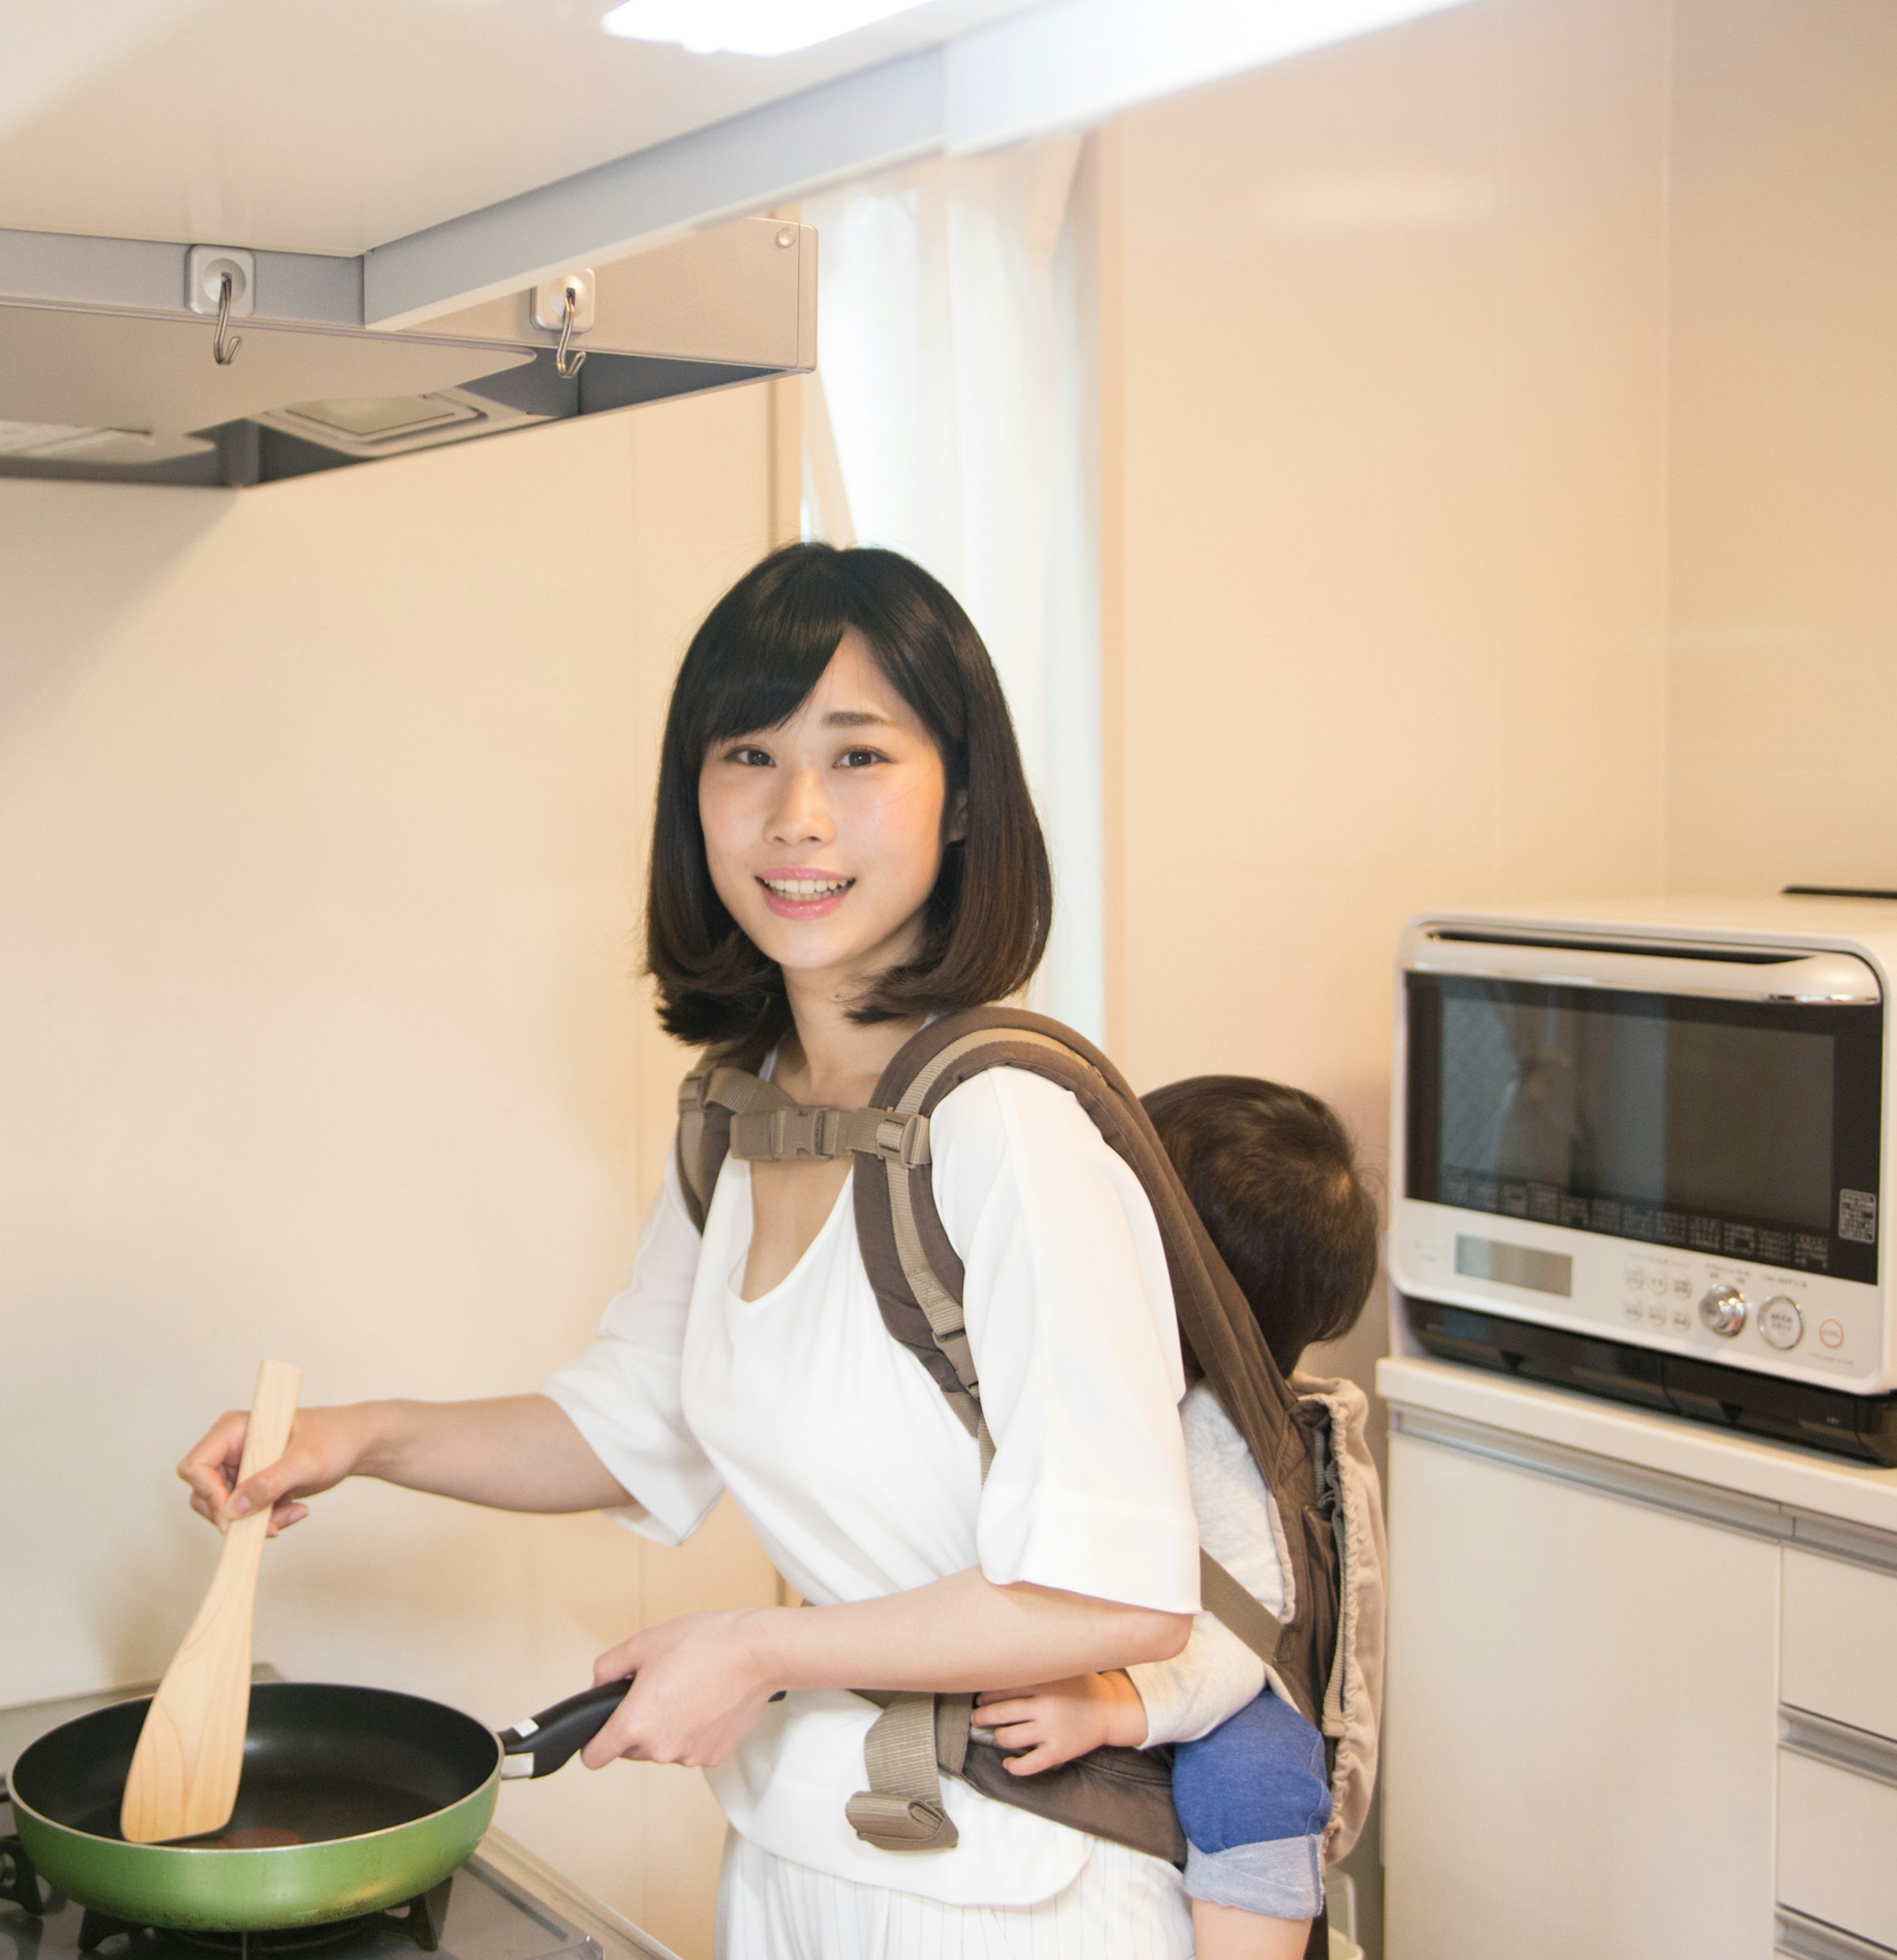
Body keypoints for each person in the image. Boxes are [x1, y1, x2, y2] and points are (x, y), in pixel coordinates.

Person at [177, 542, 1210, 1954]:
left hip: (1025, 1894)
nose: (795, 817)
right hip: (803, 1851)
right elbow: (635, 1422)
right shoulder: (745, 1111)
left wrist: (761, 1646)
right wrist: (357, 1438)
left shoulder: (1005, 1132)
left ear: (962, 799)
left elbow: (1117, 1591)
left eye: (858, 757)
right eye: (748, 756)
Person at [971, 1075, 1382, 1958]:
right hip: (1094, 1632)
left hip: (1210, 1675)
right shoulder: (1067, 1354)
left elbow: (1242, 1633)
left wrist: (1119, 1708)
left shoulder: (1232, 1440)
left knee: (1264, 1772)